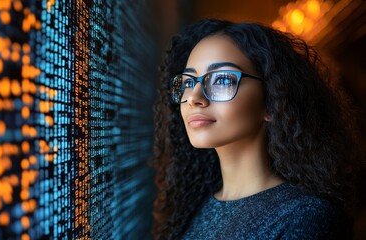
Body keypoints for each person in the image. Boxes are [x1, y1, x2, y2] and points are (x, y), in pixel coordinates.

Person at [151, 19, 359, 239]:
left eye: (221, 80)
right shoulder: (194, 204)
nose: (194, 98)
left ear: (272, 102)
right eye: (188, 82)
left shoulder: (304, 217)